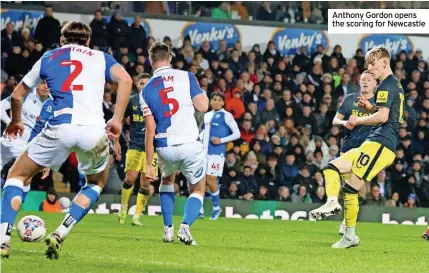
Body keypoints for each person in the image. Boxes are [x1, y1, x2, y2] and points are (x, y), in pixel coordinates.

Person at [0, 21, 132, 259]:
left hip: (60, 126)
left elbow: (17, 96)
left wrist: (15, 121)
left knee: (17, 176)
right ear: (88, 41)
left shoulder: (49, 57)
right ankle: (61, 231)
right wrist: (118, 119)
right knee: (95, 182)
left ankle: (2, 238)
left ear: (62, 40)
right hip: (93, 130)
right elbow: (126, 80)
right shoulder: (101, 57)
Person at [310, 46, 404, 249]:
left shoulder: (387, 85)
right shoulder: (389, 84)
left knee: (351, 188)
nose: (370, 68)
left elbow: (383, 117)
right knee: (332, 168)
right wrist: (370, 108)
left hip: (381, 143)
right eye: (368, 64)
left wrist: (358, 120)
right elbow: (382, 112)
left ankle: (349, 234)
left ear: (384, 63)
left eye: (373, 64)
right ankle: (334, 204)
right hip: (373, 141)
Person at [141, 42, 208, 246]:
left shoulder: (145, 90)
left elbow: (150, 131)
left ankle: (168, 229)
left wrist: (148, 164)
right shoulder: (186, 76)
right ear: (170, 58)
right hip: (189, 142)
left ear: (151, 61)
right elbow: (203, 106)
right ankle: (185, 227)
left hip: (165, 146)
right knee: (197, 189)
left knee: (167, 181)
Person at [331, 70, 377, 235]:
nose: (365, 82)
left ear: (375, 83)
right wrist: (344, 123)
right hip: (348, 147)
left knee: (354, 188)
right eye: (363, 79)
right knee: (346, 187)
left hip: (366, 151)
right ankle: (346, 223)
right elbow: (335, 120)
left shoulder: (378, 103)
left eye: (369, 80)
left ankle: (346, 223)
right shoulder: (350, 98)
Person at [117, 72, 158, 226]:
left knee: (146, 183)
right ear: (137, 84)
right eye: (142, 83)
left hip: (152, 148)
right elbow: (120, 119)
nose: (144, 86)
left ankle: (137, 216)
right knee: (130, 179)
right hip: (135, 145)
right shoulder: (132, 101)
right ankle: (123, 208)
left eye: (147, 83)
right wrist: (116, 142)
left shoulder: (158, 103)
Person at [1, 81, 53, 185]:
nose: (46, 87)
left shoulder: (53, 106)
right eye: (42, 83)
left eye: (49, 85)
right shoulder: (25, 95)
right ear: (36, 84)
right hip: (10, 139)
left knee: (25, 180)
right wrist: (10, 122)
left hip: (29, 146)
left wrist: (48, 160)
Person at [199, 92, 240, 220]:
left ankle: (216, 207)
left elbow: (237, 134)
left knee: (210, 179)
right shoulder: (207, 115)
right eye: (214, 99)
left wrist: (221, 140)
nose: (216, 102)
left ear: (223, 102)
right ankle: (199, 208)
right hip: (203, 152)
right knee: (200, 179)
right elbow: (204, 132)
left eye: (219, 100)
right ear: (210, 102)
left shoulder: (227, 116)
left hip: (217, 153)